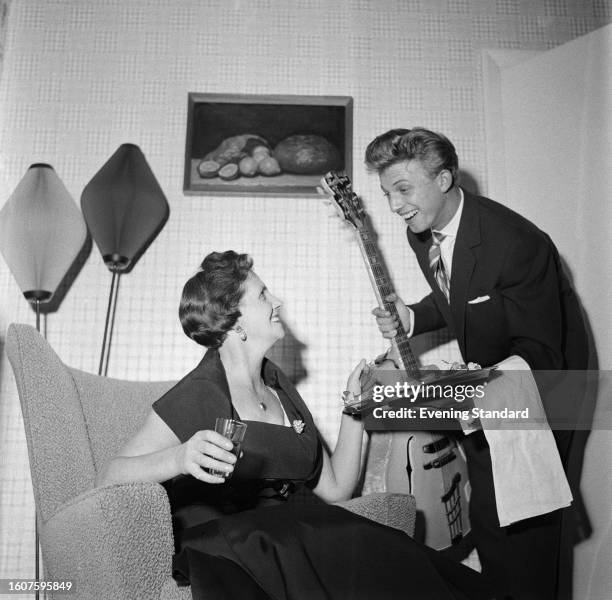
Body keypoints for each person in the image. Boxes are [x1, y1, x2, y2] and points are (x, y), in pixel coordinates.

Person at [96, 250, 492, 600]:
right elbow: (110, 477)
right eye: (264, 295)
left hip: (286, 535)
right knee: (333, 535)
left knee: (355, 535)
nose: (278, 301)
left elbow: (336, 488)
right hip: (224, 546)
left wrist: (353, 407)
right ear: (234, 323)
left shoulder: (278, 385)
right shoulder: (200, 393)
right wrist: (179, 457)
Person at [364, 128, 588, 600]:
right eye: (387, 194)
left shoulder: (518, 243)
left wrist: (460, 388)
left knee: (527, 533)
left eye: (403, 189)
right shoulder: (421, 228)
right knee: (487, 518)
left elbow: (543, 354)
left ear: (444, 179)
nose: (395, 206)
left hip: (546, 388)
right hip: (491, 388)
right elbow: (463, 292)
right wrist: (415, 315)